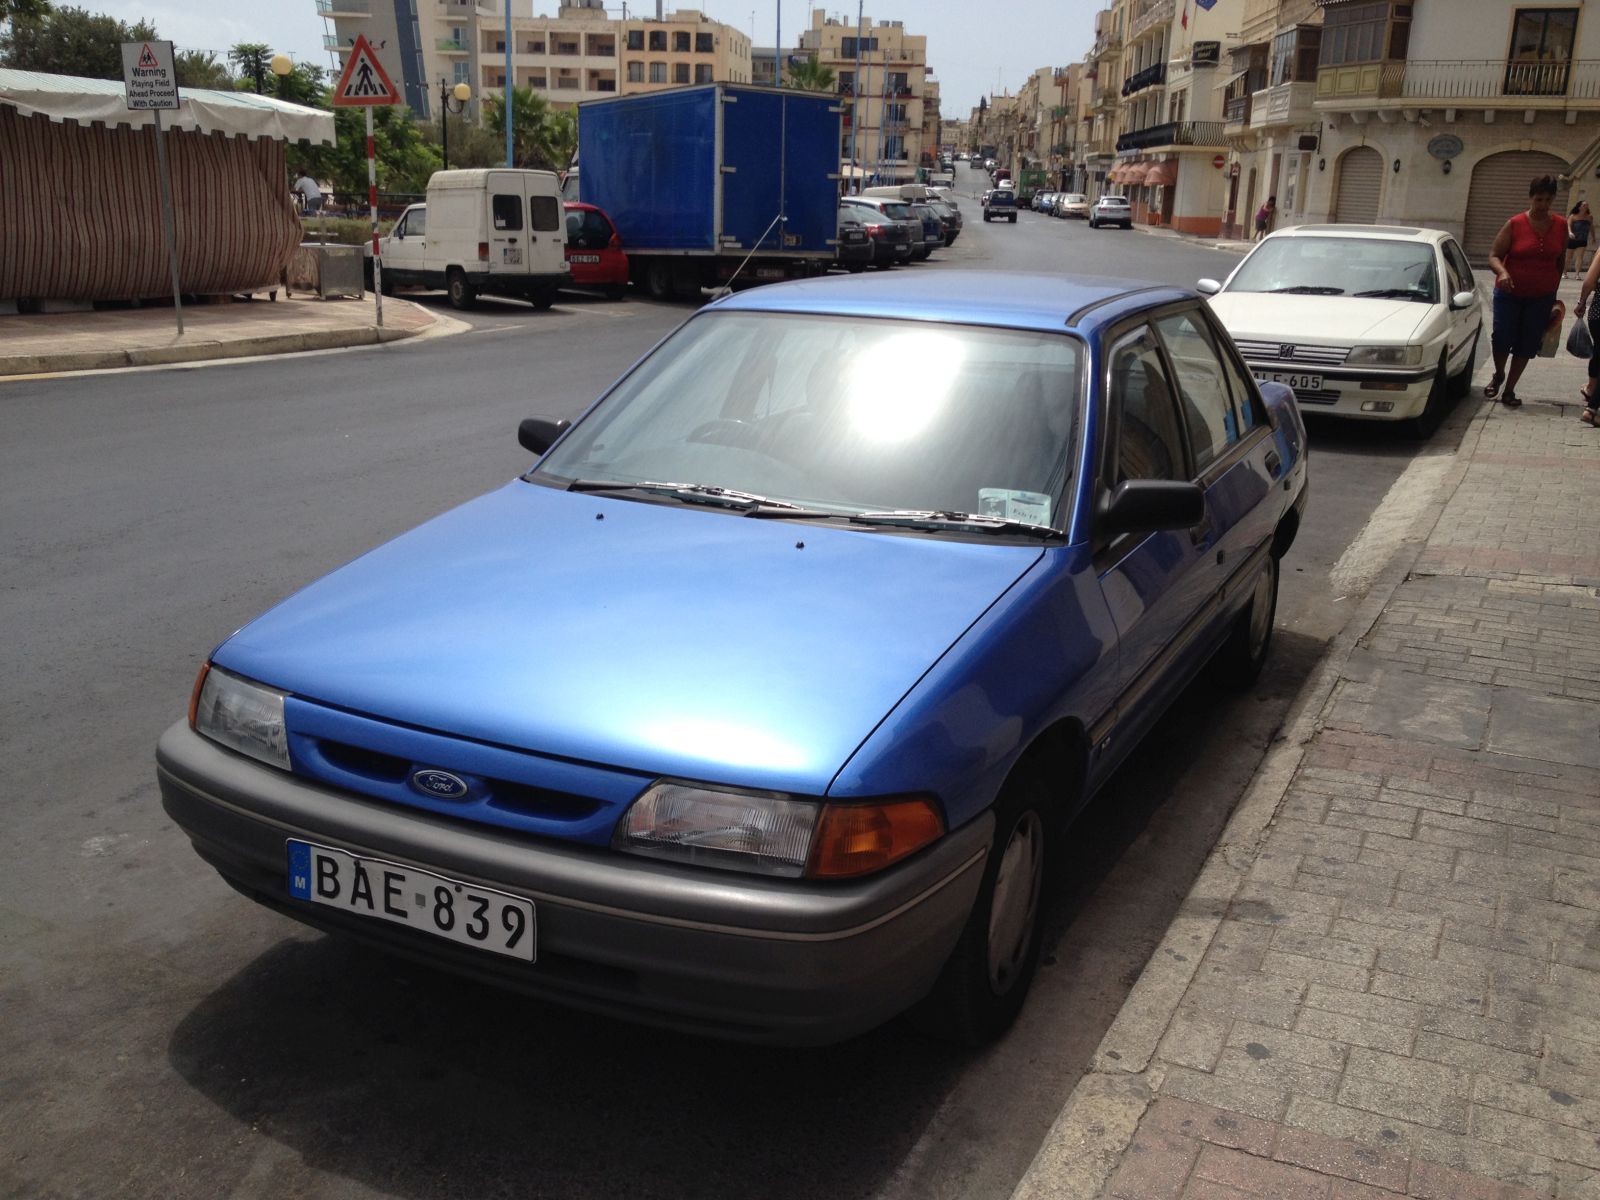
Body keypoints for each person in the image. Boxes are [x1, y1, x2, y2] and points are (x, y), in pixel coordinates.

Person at [1484, 175, 1568, 408]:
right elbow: (1493, 255)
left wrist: (1553, 287)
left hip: (1541, 297)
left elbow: (1560, 260)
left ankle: (1509, 389)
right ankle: (1499, 373)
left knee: (1528, 342)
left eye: (1548, 200)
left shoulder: (1561, 225)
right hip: (1509, 294)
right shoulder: (1515, 224)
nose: (1543, 205)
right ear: (1531, 197)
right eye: (1539, 199)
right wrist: (1502, 272)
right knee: (1502, 336)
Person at [1574, 246, 1600, 427]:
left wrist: (1582, 302)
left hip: (1597, 315)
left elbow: (1589, 280)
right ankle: (1591, 409)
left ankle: (1591, 394)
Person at [1568, 200, 1593, 277]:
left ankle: (1577, 274)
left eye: (1587, 205)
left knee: (1580, 257)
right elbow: (1568, 225)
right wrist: (1570, 233)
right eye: (1584, 205)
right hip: (1572, 238)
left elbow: (1591, 228)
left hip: (1583, 239)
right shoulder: (1573, 216)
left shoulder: (1589, 217)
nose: (1586, 207)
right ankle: (1564, 272)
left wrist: (1593, 237)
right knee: (1569, 257)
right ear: (1579, 207)